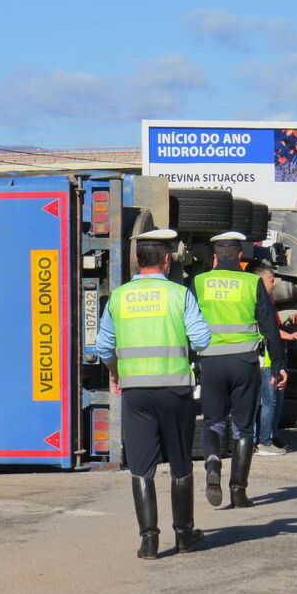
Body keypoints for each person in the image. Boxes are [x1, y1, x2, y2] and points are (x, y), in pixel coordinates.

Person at [96, 229, 211, 560]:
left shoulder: (119, 297)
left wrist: (115, 372)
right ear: (165, 260)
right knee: (179, 462)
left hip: (135, 393)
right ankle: (184, 534)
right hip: (174, 389)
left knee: (142, 466)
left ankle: (149, 540)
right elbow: (201, 340)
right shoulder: (179, 294)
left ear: (135, 260)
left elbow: (103, 346)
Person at [193, 233, 286, 509]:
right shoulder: (252, 282)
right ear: (240, 256)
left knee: (213, 422)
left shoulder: (199, 282)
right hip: (244, 363)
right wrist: (278, 366)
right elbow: (270, 328)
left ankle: (212, 464)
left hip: (210, 362)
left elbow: (188, 321)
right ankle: (238, 492)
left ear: (215, 255)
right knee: (243, 428)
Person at [247, 262, 297, 455]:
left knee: (273, 400)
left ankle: (268, 436)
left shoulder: (269, 301)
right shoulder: (256, 301)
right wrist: (288, 336)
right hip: (265, 359)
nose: (275, 285)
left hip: (274, 356)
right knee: (267, 401)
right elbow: (265, 328)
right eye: (272, 280)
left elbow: (273, 325)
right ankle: (263, 441)